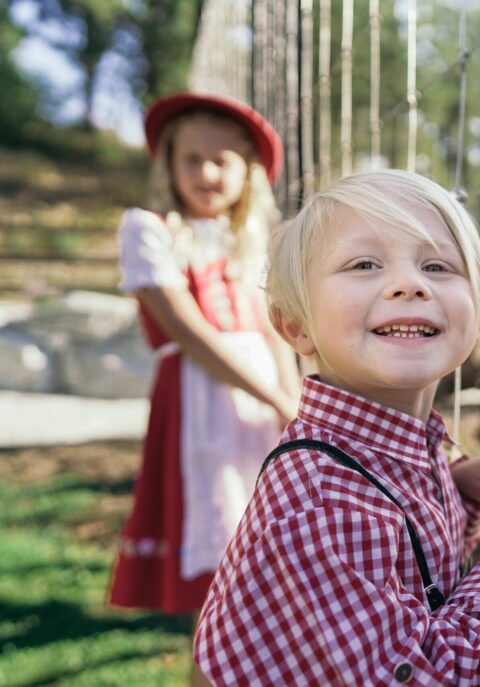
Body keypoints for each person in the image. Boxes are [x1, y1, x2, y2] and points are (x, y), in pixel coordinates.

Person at [194, 169, 480, 685]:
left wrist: (455, 491)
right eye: (364, 264)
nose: (409, 283)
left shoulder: (379, 457)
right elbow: (418, 676)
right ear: (295, 324)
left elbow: (403, 572)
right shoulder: (324, 500)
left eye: (437, 265)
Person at [107, 92, 300, 685]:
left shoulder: (254, 245)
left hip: (263, 410)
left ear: (249, 172)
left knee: (266, 563)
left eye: (223, 161)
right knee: (218, 560)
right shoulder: (150, 231)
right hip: (201, 408)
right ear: (168, 164)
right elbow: (190, 334)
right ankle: (206, 672)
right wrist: (273, 396)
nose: (207, 173)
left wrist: (294, 406)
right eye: (192, 159)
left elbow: (273, 336)